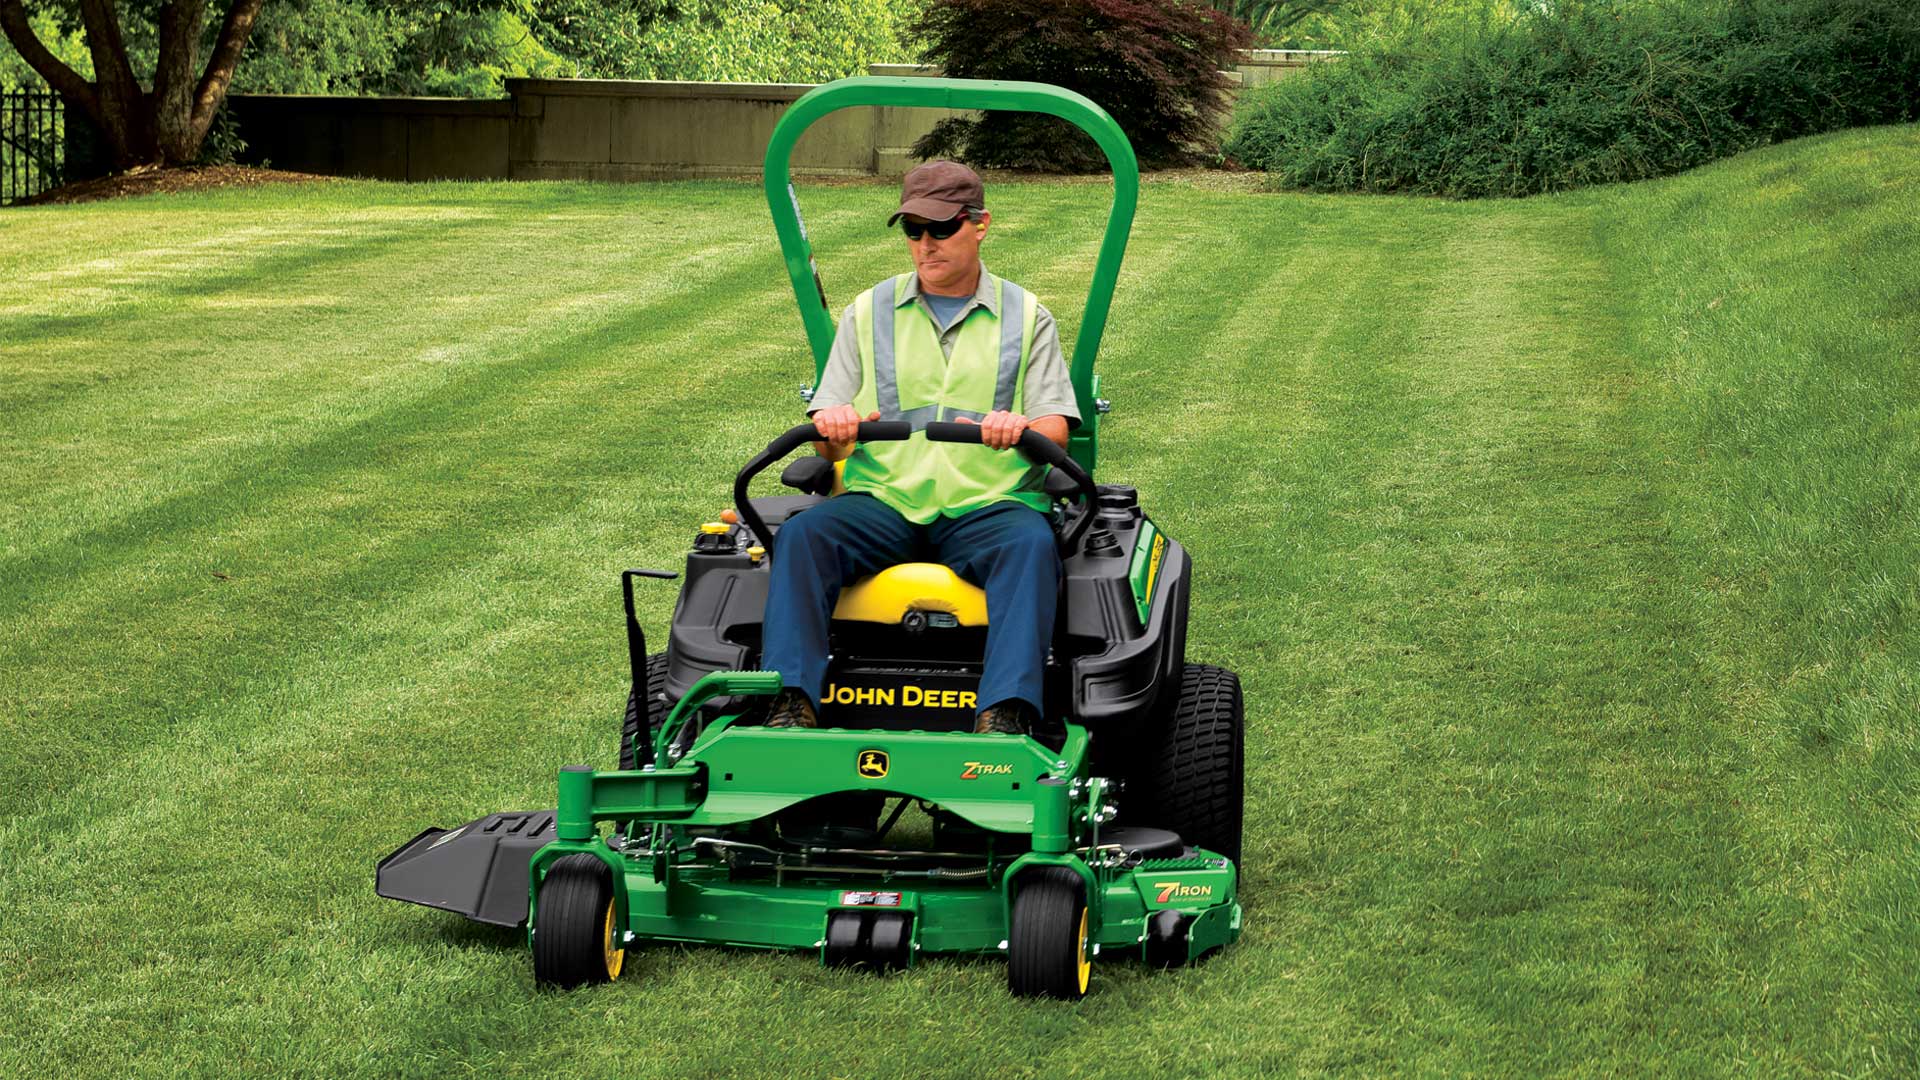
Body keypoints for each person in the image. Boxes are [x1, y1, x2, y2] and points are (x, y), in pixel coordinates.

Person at [760, 160, 1080, 735]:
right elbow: (829, 441)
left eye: (940, 229)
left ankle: (1005, 712)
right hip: (882, 500)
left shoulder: (1028, 317)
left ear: (980, 224)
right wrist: (835, 430)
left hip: (989, 503)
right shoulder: (868, 312)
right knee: (804, 535)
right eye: (913, 231)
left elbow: (1057, 427)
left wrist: (1023, 427)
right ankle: (791, 703)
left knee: (1031, 545)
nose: (925, 245)